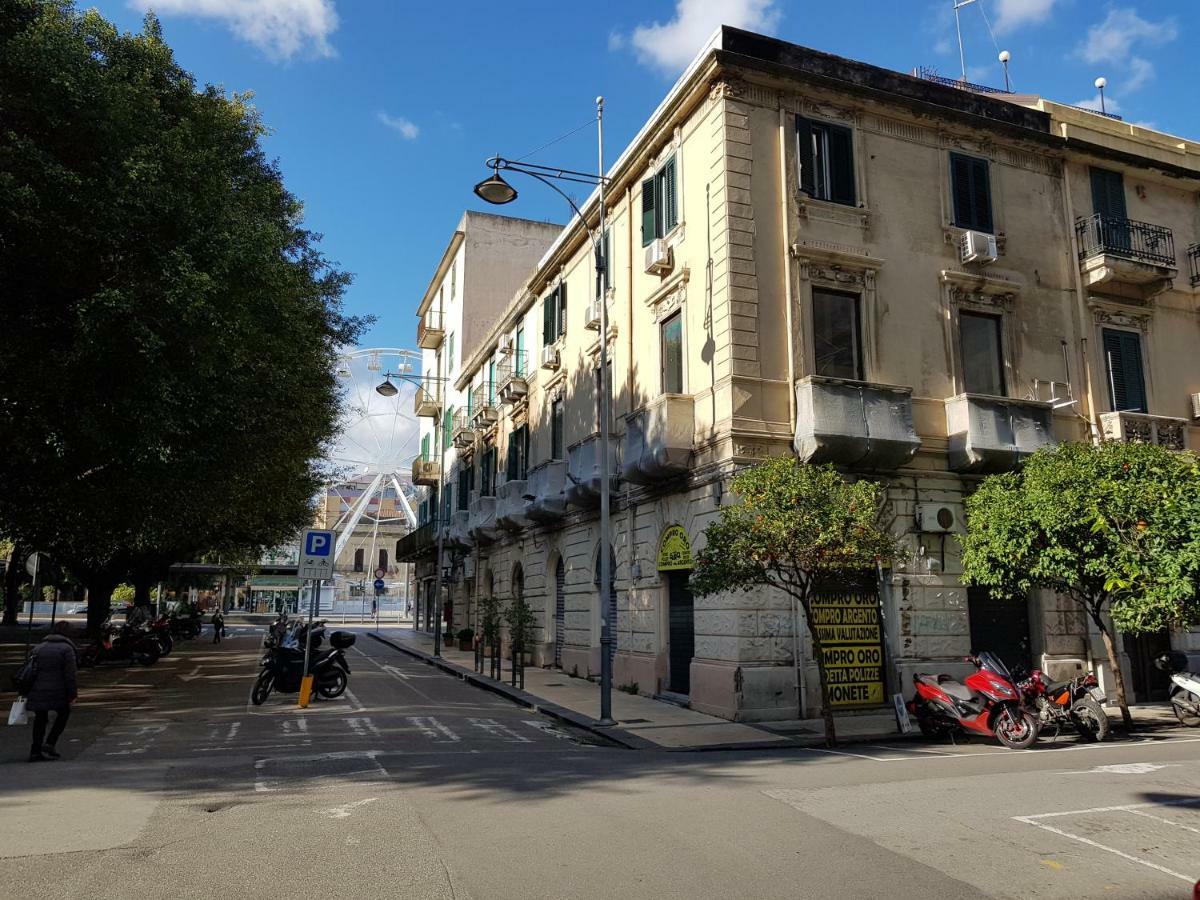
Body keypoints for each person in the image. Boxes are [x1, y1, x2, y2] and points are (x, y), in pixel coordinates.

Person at [27, 621, 78, 762]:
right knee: (64, 713)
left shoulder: (38, 648)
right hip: (58, 689)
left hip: (37, 689)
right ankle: (50, 742)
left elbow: (30, 669)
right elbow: (70, 675)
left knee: (40, 719)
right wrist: (72, 694)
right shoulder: (67, 649)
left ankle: (35, 750)